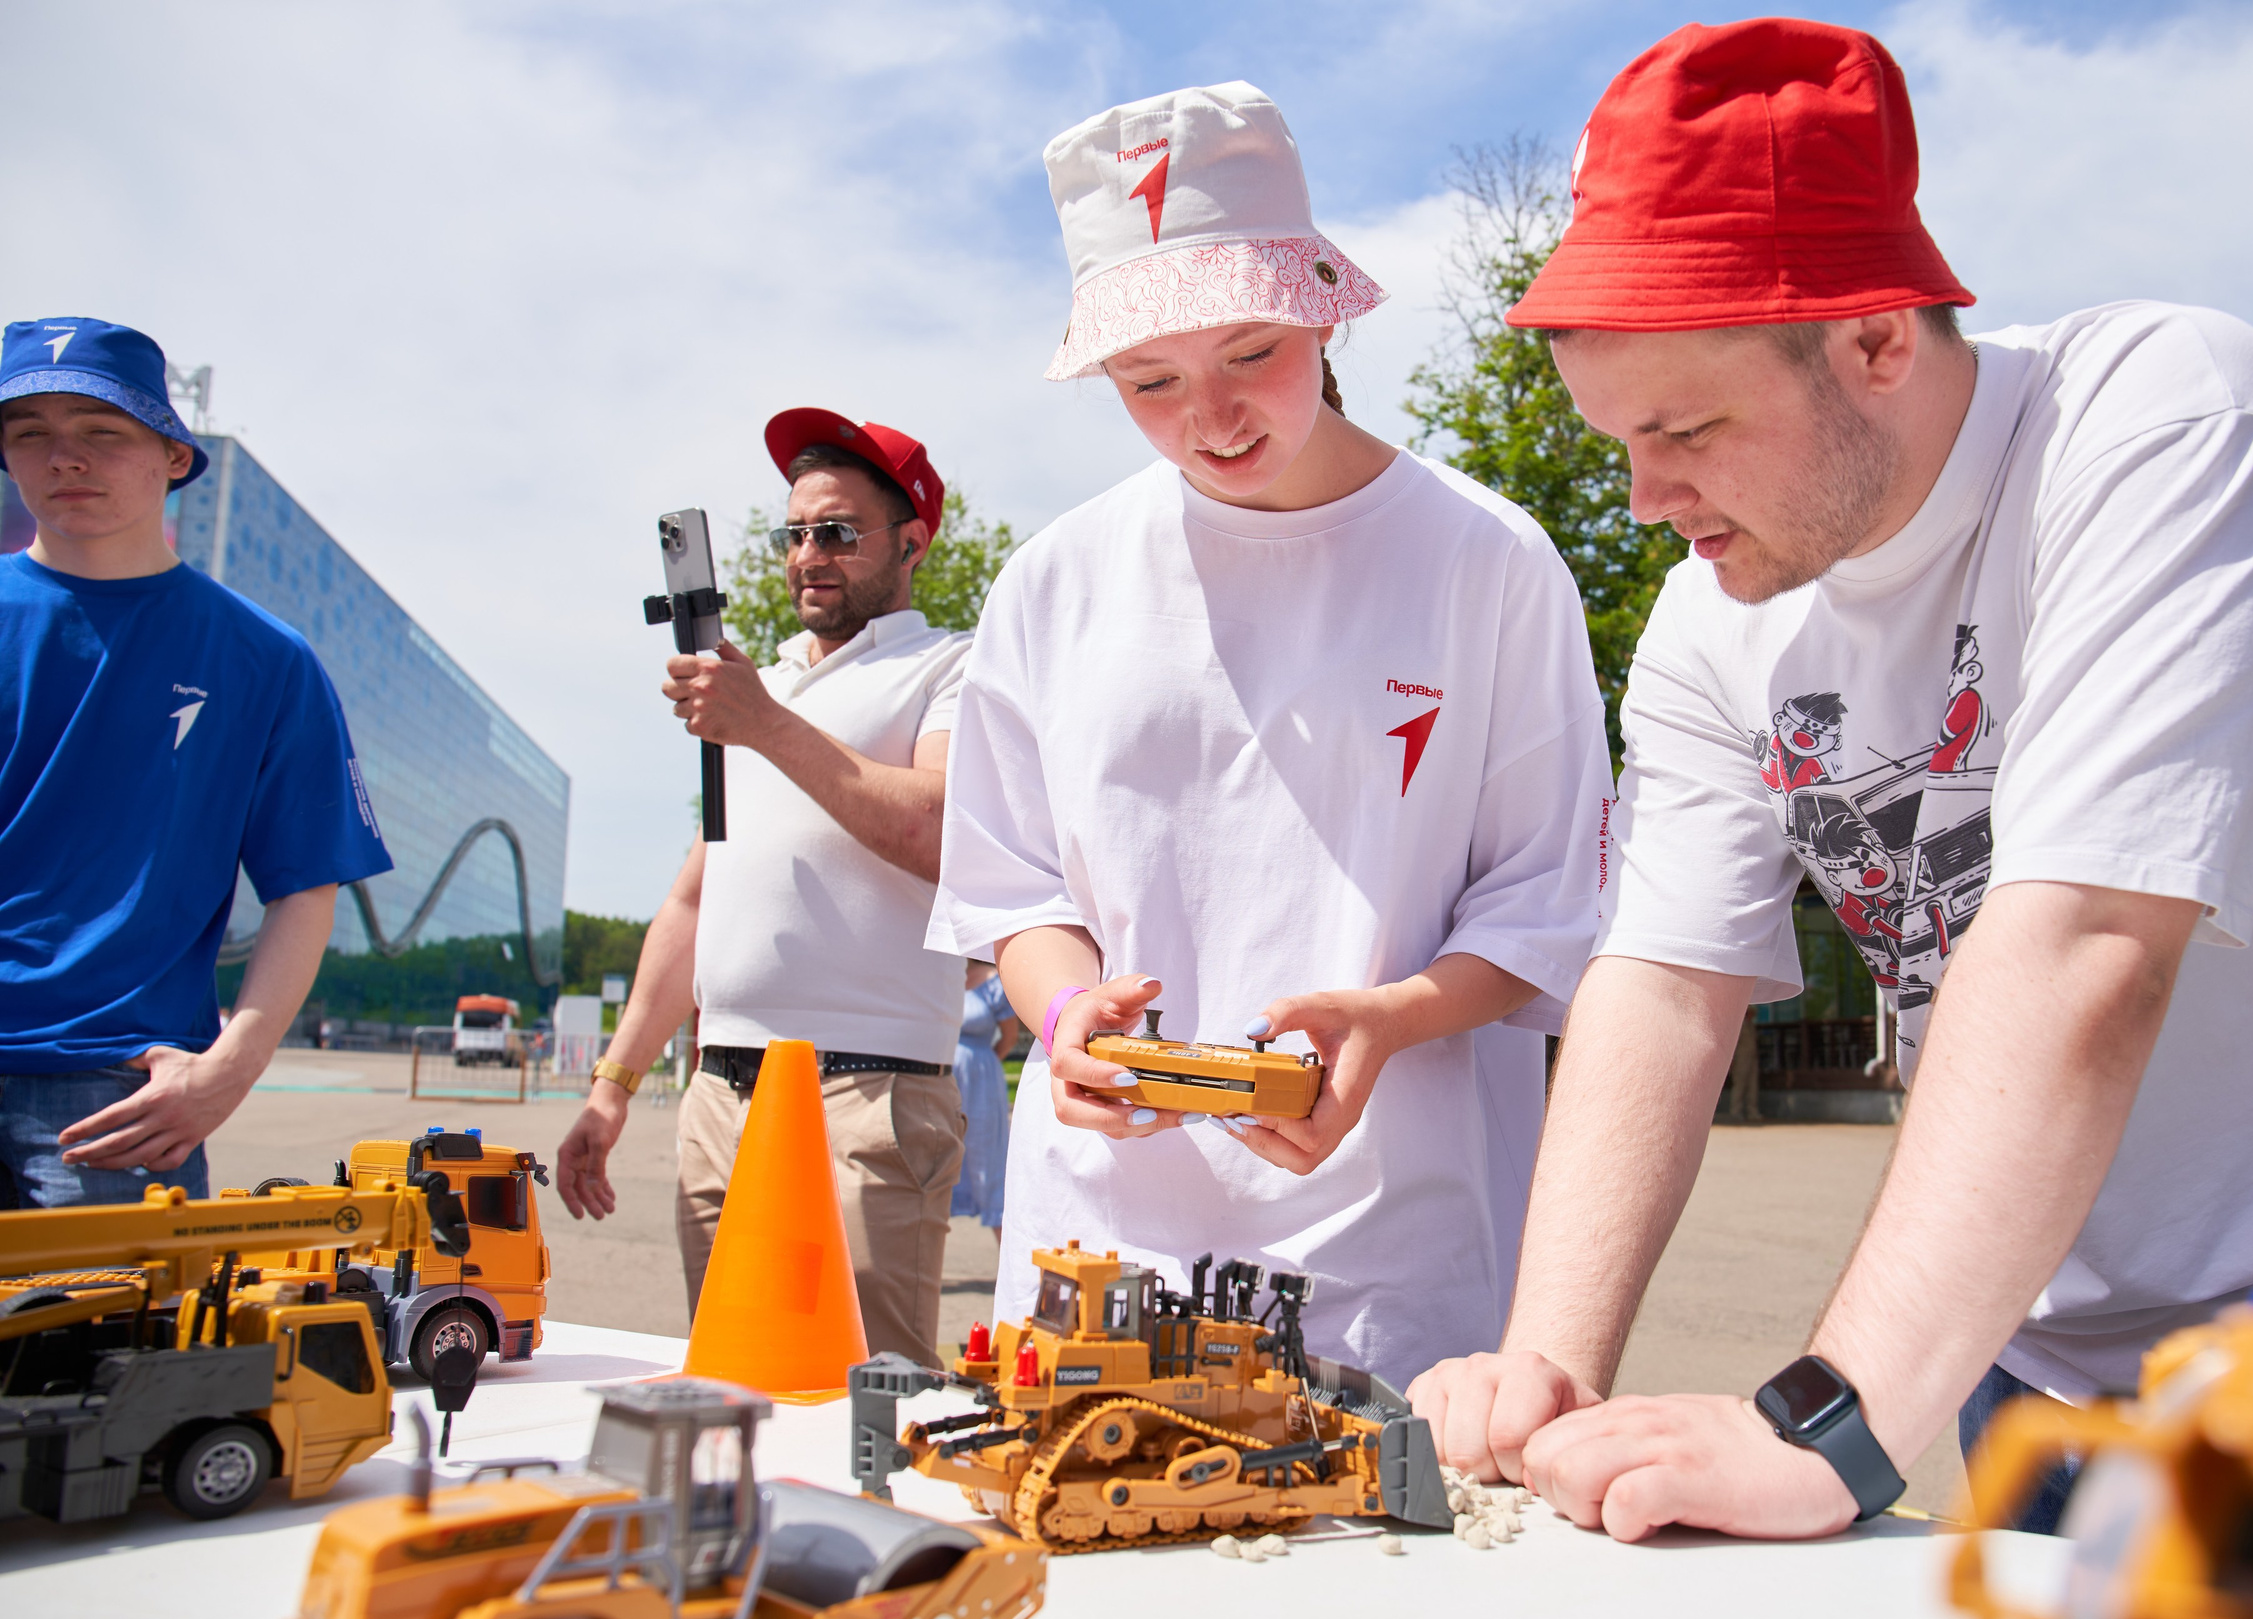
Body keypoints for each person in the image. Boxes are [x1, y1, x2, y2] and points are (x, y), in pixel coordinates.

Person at [1410, 19, 2253, 1540]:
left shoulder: (2167, 421)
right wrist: (1545, 1367)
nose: (1643, 497)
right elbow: (1665, 988)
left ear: (1878, 339)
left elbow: (2086, 943)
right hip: (2029, 1362)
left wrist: (1826, 1424)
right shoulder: (1709, 618)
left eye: (1683, 429)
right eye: (1616, 440)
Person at [925, 82, 1616, 1388]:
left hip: (1396, 1255)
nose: (1211, 416)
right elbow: (1015, 888)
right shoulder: (1053, 581)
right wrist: (1066, 1013)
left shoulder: (1485, 560)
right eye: (1150, 381)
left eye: (1251, 352)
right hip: (1099, 1253)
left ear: (1319, 304)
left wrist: (1394, 1018)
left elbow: (1547, 900)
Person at [553, 409, 971, 1366]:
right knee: (731, 1379)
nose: (808, 556)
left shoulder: (953, 664)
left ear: (912, 543)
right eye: (795, 534)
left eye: (838, 532)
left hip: (867, 1087)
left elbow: (945, 832)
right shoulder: (762, 685)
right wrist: (612, 1088)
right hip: (722, 1092)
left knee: (867, 1392)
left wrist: (766, 726)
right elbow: (695, 901)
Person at [0, 316, 390, 1205]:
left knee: (99, 1307)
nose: (65, 458)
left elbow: (306, 883)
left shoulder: (264, 657)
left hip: (116, 1090)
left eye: (102, 431)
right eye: (31, 433)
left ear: (174, 454)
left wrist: (229, 1069)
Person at [950, 961, 1018, 1230]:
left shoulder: (993, 982)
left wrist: (981, 1063)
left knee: (986, 1150)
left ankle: (1003, 1239)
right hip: (943, 1077)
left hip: (980, 1079)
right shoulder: (943, 971)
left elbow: (1009, 1037)